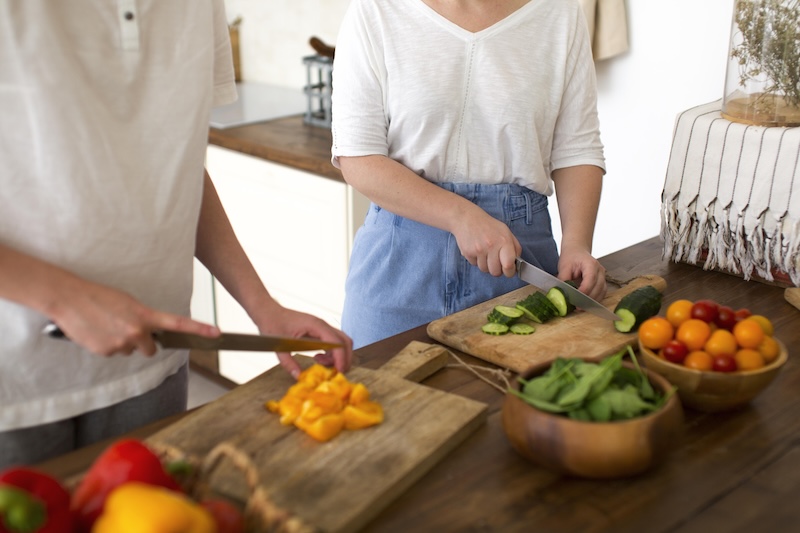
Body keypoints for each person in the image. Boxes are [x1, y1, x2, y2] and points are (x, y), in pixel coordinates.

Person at [0, 0, 352, 468]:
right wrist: (64, 297)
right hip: (14, 382)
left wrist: (263, 306)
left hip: (156, 364)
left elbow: (176, 164)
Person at [331, 0, 608, 349]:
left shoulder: (559, 13)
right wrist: (460, 215)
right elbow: (358, 157)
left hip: (519, 258)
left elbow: (576, 150)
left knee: (515, 401)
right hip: (398, 262)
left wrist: (577, 244)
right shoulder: (376, 11)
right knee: (373, 399)